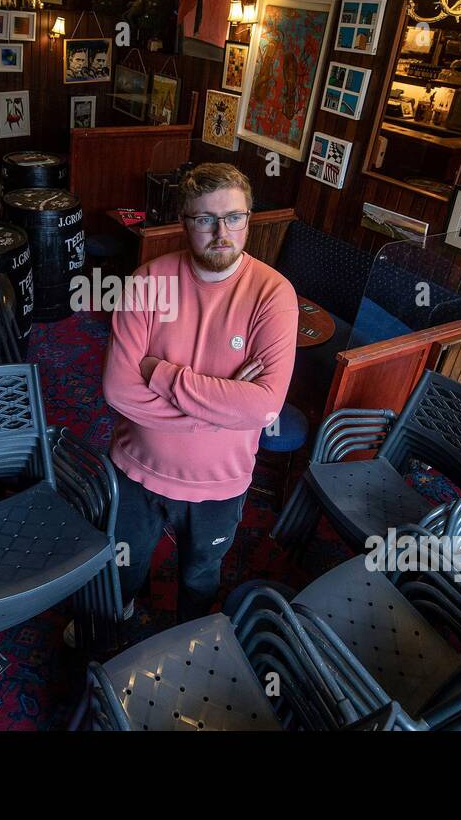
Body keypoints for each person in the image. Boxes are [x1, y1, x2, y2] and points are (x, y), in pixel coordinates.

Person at [92, 162, 298, 634]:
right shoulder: (146, 282)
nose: (221, 232)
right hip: (134, 470)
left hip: (219, 483)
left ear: (250, 218)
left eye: (233, 217)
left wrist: (160, 373)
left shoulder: (274, 295)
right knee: (123, 566)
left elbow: (263, 408)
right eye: (205, 218)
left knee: (201, 574)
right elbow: (118, 389)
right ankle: (115, 624)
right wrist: (223, 409)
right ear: (184, 221)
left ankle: (190, 637)